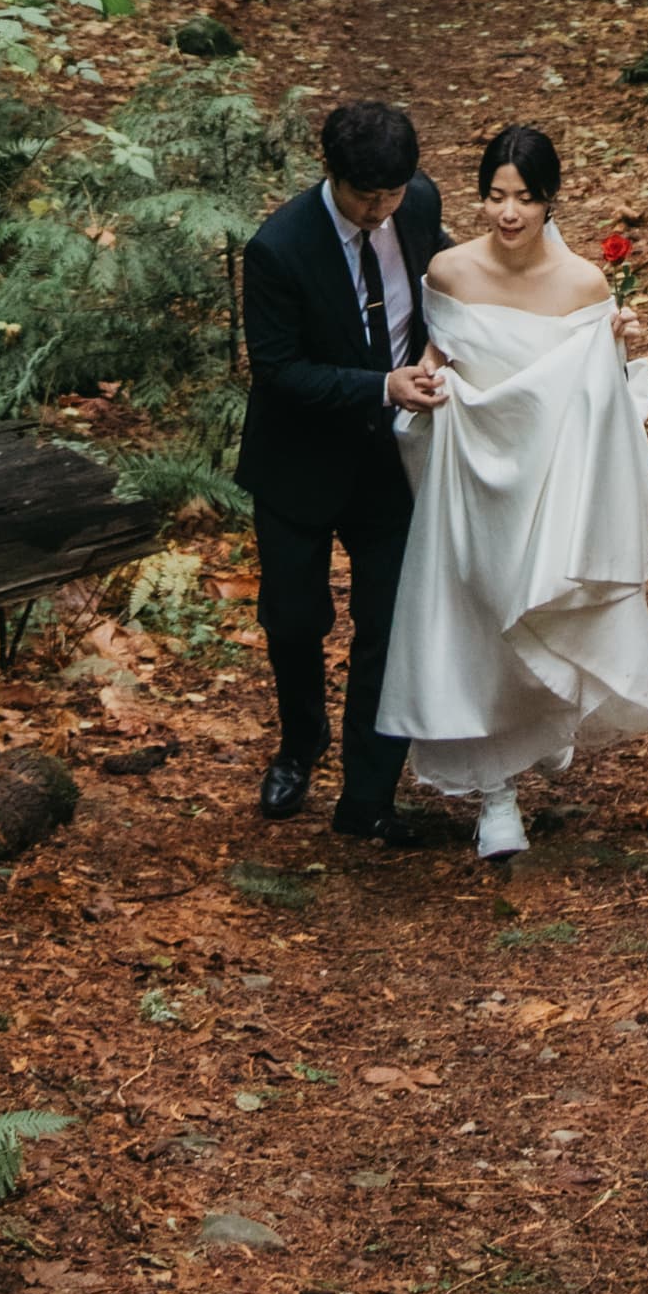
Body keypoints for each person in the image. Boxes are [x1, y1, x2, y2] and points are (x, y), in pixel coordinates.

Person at [378, 119, 648, 869]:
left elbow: (599, 391)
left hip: (548, 471)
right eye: (496, 197)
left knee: (536, 599)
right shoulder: (449, 272)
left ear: (549, 203)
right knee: (477, 616)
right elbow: (436, 352)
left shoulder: (584, 285)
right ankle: (496, 795)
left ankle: (540, 726)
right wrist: (429, 380)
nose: (508, 214)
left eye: (525, 200)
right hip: (472, 470)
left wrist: (621, 343)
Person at [233, 95, 449, 838]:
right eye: (367, 196)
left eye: (392, 194)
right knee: (295, 619)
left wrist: (433, 360)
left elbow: (450, 290)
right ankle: (300, 745)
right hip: (298, 464)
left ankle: (369, 795)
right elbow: (277, 370)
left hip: (393, 458)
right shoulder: (278, 248)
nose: (381, 210)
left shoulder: (417, 205)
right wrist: (377, 385)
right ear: (331, 174)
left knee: (386, 624)